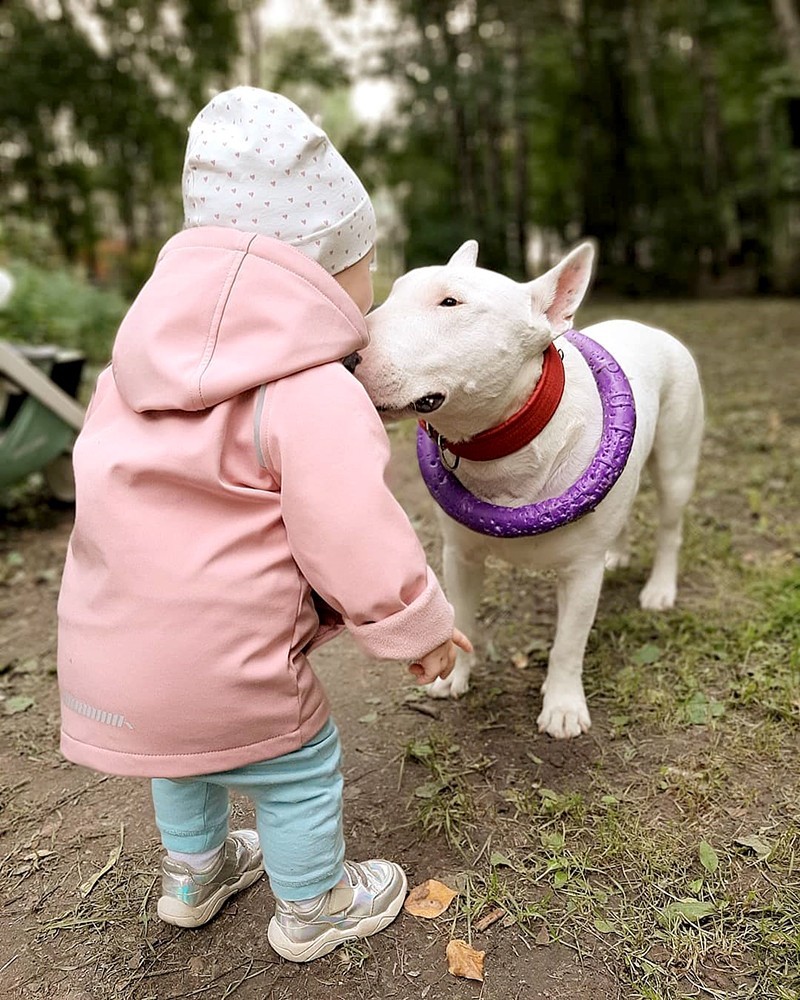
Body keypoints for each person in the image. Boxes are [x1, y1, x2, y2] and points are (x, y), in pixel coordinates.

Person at [56, 87, 471, 963]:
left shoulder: (127, 379)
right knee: (296, 767)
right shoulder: (308, 391)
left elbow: (100, 497)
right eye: (364, 265)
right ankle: (317, 903)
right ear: (321, 271)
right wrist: (414, 626)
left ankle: (194, 875)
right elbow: (350, 526)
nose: (368, 292)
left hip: (118, 662)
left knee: (184, 755)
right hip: (235, 667)